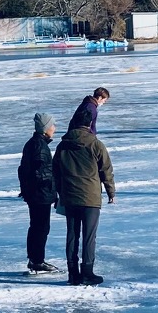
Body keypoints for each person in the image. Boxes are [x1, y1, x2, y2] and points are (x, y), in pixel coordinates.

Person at [54, 112, 116, 285]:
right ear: (89, 125)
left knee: (72, 235)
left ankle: (73, 273)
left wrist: (59, 193)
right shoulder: (96, 144)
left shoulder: (62, 146)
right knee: (89, 236)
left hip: (69, 196)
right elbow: (106, 170)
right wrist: (111, 192)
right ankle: (87, 272)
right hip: (90, 197)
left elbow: (55, 172)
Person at [18, 112, 58, 273]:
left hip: (36, 193)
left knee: (37, 226)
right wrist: (51, 188)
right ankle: (37, 261)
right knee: (41, 227)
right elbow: (40, 173)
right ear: (45, 128)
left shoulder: (34, 143)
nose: (54, 128)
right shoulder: (39, 146)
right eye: (52, 125)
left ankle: (35, 259)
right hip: (40, 194)